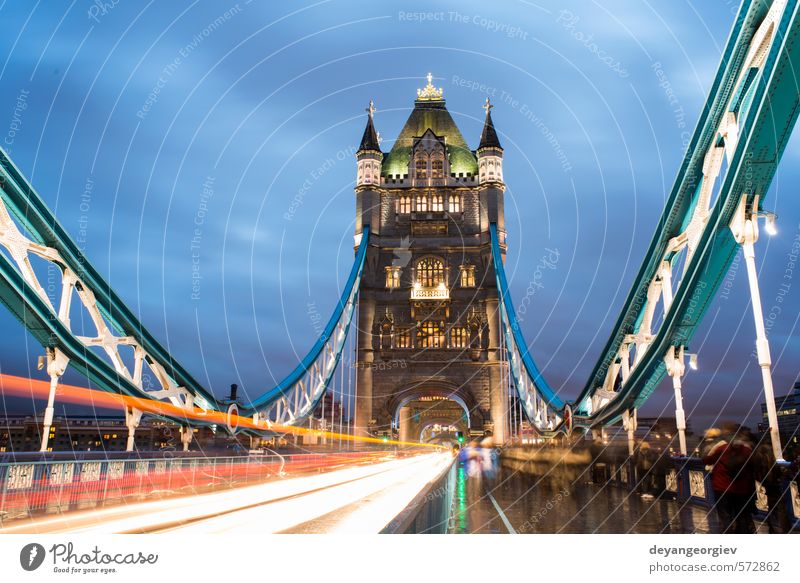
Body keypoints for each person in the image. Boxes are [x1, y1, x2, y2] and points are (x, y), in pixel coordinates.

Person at [702, 423, 756, 534]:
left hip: (722, 487)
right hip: (742, 488)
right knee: (741, 514)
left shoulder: (720, 446)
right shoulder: (746, 448)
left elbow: (707, 460)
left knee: (725, 514)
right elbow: (754, 463)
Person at [751, 434, 790, 534]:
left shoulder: (759, 455)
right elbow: (783, 467)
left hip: (767, 483)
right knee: (780, 507)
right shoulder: (775, 456)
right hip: (776, 483)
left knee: (772, 505)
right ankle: (783, 528)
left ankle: (772, 526)